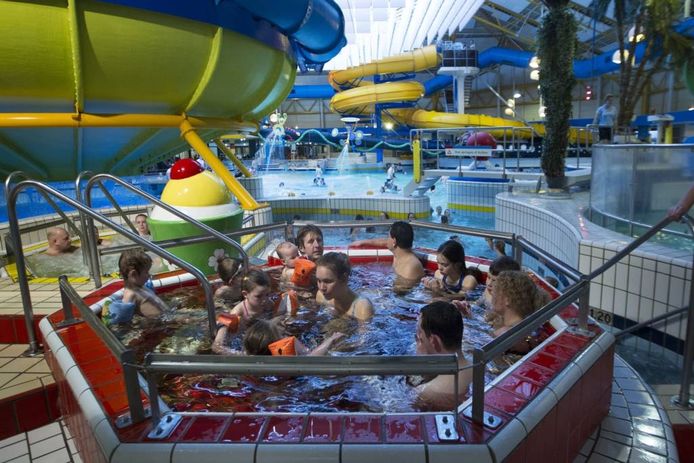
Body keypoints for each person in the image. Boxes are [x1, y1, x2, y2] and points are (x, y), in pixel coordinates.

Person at [414, 301, 472, 411]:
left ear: (434, 341)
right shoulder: (477, 367)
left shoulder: (430, 392)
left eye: (419, 337)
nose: (417, 342)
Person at [490, 270, 551, 354]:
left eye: (495, 291)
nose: (492, 294)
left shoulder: (503, 335)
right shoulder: (532, 329)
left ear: (508, 299)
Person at [213, 318, 344, 356]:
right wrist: (330, 340)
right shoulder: (284, 363)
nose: (284, 336)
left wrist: (223, 325)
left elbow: (217, 347)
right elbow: (311, 358)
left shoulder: (246, 356)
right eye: (281, 336)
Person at [108, 249, 169, 323]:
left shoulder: (141, 287)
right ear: (133, 274)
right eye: (146, 272)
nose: (149, 275)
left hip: (166, 317)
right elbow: (123, 317)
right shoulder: (130, 294)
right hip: (160, 322)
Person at [352, 221, 424, 282]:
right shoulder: (399, 253)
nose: (387, 239)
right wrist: (363, 242)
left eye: (388, 237)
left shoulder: (410, 267)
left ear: (394, 241)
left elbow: (402, 291)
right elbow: (384, 242)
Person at [316, 252, 374, 321]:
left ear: (344, 279)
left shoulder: (362, 308)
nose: (322, 288)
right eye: (319, 281)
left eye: (327, 281)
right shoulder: (321, 296)